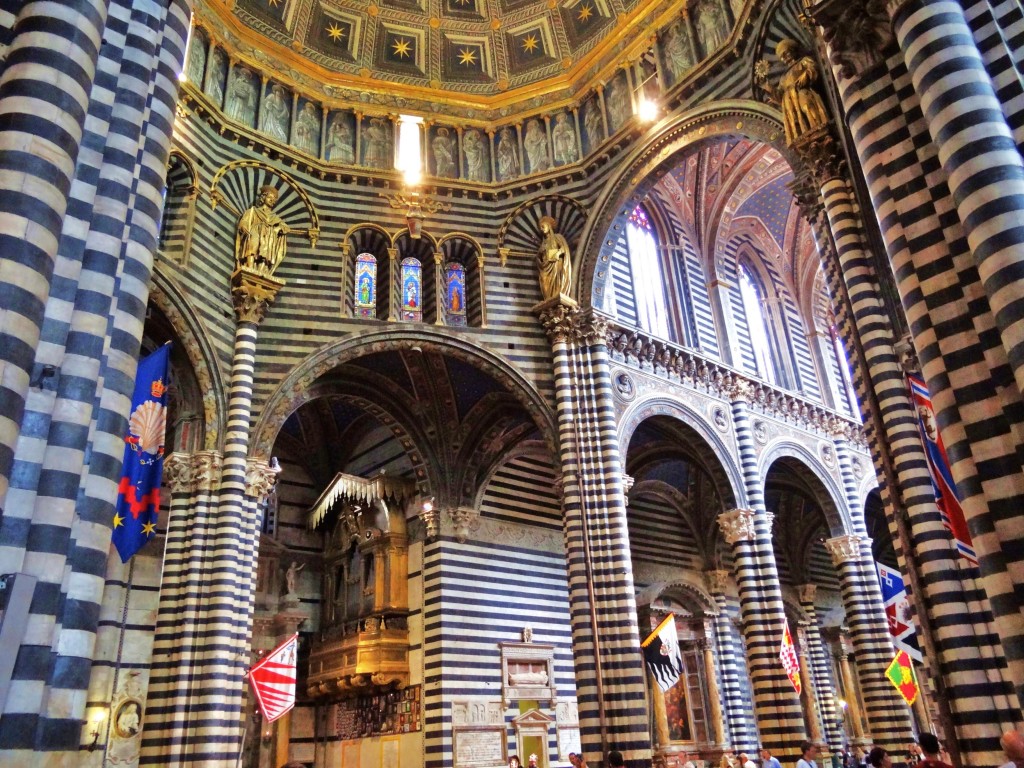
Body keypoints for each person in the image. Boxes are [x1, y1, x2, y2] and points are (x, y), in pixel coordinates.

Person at [759, 38, 828, 145]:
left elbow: (813, 68)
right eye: (782, 57)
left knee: (807, 106)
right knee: (795, 119)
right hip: (790, 101)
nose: (784, 58)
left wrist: (804, 77)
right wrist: (769, 88)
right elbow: (780, 96)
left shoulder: (803, 61)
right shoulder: (783, 77)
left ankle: (818, 125)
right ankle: (803, 134)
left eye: (786, 53)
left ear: (793, 50)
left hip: (802, 92)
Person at [235, 185, 291, 276]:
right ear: (263, 197)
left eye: (274, 199)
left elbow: (286, 227)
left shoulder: (275, 217)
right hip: (254, 231)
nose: (272, 200)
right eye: (270, 197)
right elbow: (244, 221)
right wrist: (243, 226)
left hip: (268, 237)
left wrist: (277, 229)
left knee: (265, 250)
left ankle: (262, 271)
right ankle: (250, 267)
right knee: (252, 244)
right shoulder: (253, 211)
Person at [536, 216, 572, 300]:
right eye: (540, 227)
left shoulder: (557, 237)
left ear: (549, 226)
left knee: (557, 282)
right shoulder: (543, 243)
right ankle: (548, 299)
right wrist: (539, 253)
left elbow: (565, 248)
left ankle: (557, 296)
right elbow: (538, 257)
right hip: (546, 266)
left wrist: (558, 253)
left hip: (556, 264)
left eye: (543, 226)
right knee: (543, 280)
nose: (542, 229)